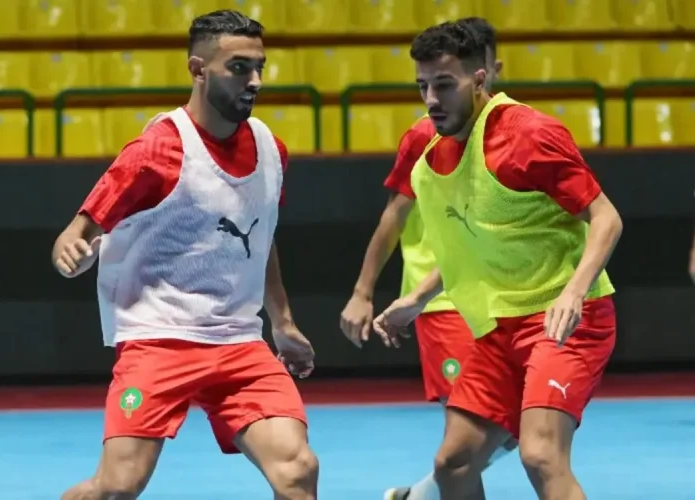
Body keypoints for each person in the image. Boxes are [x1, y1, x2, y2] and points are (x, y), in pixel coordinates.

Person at [51, 10, 318, 500]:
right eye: (239, 67)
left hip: (239, 343)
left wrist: (282, 322)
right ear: (198, 69)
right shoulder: (155, 151)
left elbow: (259, 237)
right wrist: (72, 251)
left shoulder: (271, 150)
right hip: (159, 339)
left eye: (259, 67)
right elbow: (77, 232)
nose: (255, 81)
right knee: (116, 487)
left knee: (298, 470)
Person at [372, 20, 622, 500]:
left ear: (480, 79)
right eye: (423, 86)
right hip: (499, 328)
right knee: (453, 463)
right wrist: (417, 298)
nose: (431, 99)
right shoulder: (433, 154)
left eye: (444, 84)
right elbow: (473, 244)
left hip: (565, 320)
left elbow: (606, 218)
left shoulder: (529, 135)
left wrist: (572, 293)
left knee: (541, 454)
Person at [339, 18, 514, 500]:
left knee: (515, 427)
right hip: (442, 304)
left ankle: (418, 496)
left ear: (490, 71)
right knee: (469, 437)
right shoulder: (425, 137)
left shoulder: (511, 134)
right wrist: (362, 292)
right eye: (426, 85)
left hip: (504, 301)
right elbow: (393, 217)